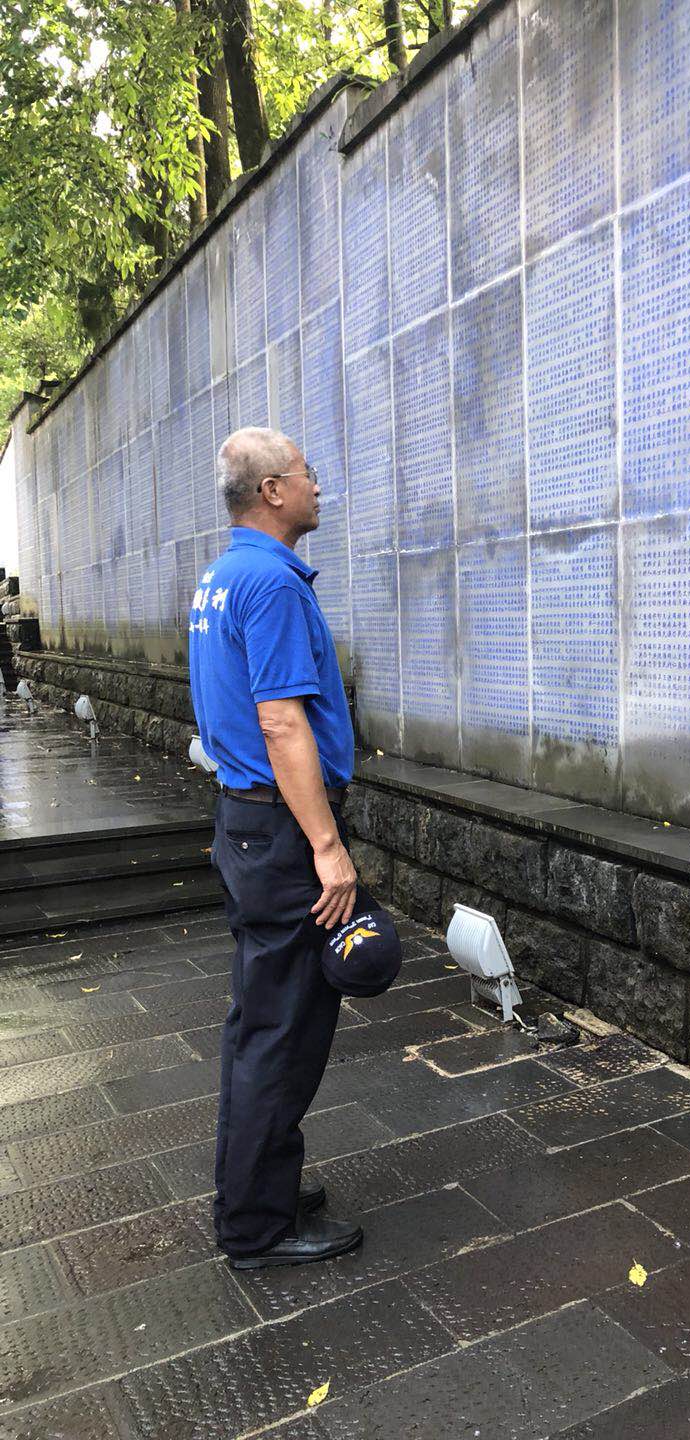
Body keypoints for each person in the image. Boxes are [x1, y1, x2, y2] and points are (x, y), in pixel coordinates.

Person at [188, 425, 364, 1271]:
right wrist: (327, 847)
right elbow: (281, 722)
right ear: (271, 491)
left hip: (247, 821)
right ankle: (257, 1226)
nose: (319, 484)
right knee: (283, 1026)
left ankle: (255, 1187)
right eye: (307, 472)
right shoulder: (272, 585)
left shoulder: (223, 577)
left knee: (261, 1018)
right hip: (283, 830)